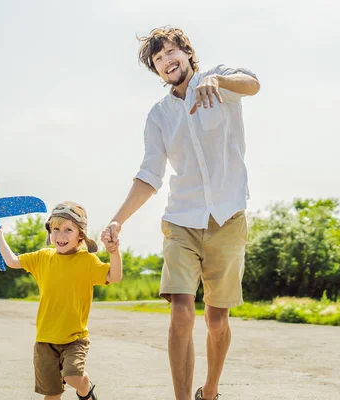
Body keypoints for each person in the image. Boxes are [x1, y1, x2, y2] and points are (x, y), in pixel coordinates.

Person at [102, 27, 260, 400]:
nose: (166, 61)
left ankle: (212, 389)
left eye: (171, 52)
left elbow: (253, 84)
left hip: (228, 219)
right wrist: (117, 219)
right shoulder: (159, 116)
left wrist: (219, 81)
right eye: (158, 59)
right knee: (180, 313)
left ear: (187, 53)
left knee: (217, 320)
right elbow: (149, 175)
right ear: (155, 71)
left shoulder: (219, 83)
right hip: (181, 221)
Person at [0, 201, 122, 400]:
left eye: (68, 230)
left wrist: (114, 253)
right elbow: (12, 261)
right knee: (51, 394)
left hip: (75, 338)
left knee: (73, 377)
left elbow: (115, 276)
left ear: (80, 236)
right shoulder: (43, 257)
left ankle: (86, 390)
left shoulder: (87, 261)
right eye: (56, 228)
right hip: (45, 339)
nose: (60, 235)